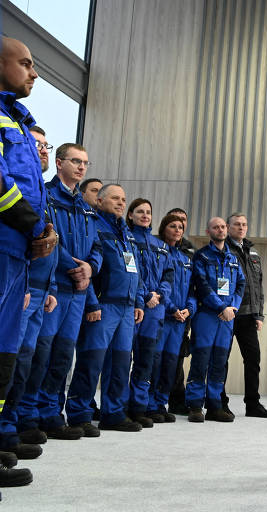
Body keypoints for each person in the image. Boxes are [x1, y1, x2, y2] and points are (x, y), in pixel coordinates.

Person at [0, 36, 57, 488]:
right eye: (25, 63)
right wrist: (34, 227)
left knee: (6, 354)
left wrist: (42, 232)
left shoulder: (18, 121)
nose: (34, 72)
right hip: (4, 246)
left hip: (17, 251)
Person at [17, 143, 102, 441]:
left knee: (64, 355)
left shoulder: (88, 207)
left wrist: (90, 268)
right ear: (59, 162)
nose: (81, 167)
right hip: (55, 286)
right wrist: (74, 268)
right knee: (40, 354)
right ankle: (28, 413)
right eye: (75, 161)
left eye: (86, 163)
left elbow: (98, 247)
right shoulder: (47, 197)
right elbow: (49, 238)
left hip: (78, 293)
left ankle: (52, 411)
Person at [64, 184, 145, 433]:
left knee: (120, 364)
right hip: (103, 305)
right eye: (114, 198)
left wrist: (139, 301)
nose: (121, 203)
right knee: (91, 361)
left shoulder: (127, 233)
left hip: (127, 308)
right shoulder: (94, 226)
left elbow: (136, 272)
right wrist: (92, 302)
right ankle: (79, 414)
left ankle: (113, 413)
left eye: (123, 199)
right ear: (99, 201)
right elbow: (86, 267)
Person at [185, 217, 244, 422]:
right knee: (201, 360)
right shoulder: (201, 256)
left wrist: (232, 307)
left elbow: (241, 285)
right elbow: (201, 285)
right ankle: (194, 406)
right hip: (207, 315)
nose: (220, 229)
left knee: (220, 361)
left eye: (222, 227)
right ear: (208, 231)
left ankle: (215, 406)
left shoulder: (234, 258)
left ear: (226, 230)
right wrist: (221, 307)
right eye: (215, 227)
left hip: (227, 317)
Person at [125, 199, 174, 427]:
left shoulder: (161, 246)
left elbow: (169, 275)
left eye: (148, 212)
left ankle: (139, 407)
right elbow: (132, 270)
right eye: (140, 212)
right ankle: (118, 405)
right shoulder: (127, 238)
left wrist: (159, 295)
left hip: (155, 310)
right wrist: (146, 295)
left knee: (146, 360)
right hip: (135, 304)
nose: (145, 215)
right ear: (131, 215)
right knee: (123, 359)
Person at [221, 212, 267, 418]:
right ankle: (220, 402)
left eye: (244, 224)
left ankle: (253, 404)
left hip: (249, 316)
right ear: (228, 226)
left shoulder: (253, 253)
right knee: (221, 359)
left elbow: (259, 287)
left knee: (253, 359)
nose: (241, 228)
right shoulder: (223, 249)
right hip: (227, 314)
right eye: (236, 224)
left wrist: (259, 315)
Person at [147, 214, 196, 423]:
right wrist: (173, 308)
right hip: (162, 316)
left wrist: (188, 309)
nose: (177, 230)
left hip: (179, 321)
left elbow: (194, 290)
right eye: (173, 226)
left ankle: (160, 403)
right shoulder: (157, 252)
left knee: (170, 365)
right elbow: (156, 285)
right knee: (154, 363)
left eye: (180, 227)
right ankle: (147, 404)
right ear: (163, 228)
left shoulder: (186, 259)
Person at [166, 207, 195, 415]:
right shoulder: (160, 246)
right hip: (163, 311)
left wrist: (188, 309)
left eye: (183, 222)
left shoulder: (191, 251)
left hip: (183, 315)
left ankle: (176, 400)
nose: (179, 225)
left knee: (177, 359)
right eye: (175, 222)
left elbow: (195, 285)